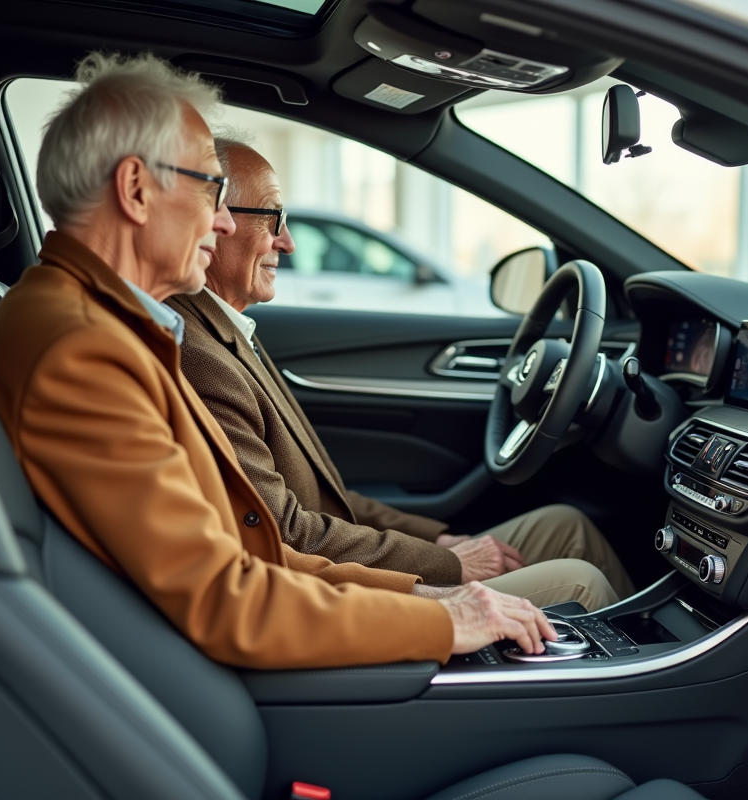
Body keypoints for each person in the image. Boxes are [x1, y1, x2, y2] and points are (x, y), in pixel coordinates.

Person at [0, 51, 557, 670]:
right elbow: (225, 599)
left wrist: (424, 593)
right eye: (210, 189)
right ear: (137, 189)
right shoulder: (81, 353)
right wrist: (443, 619)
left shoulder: (95, 323)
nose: (221, 220)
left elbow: (251, 544)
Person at [165, 135, 637, 611]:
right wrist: (446, 567)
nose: (286, 242)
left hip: (345, 570)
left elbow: (331, 498)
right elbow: (283, 533)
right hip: (337, 594)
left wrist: (443, 541)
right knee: (579, 581)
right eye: (274, 218)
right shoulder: (200, 357)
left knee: (565, 525)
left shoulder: (229, 330)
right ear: (210, 219)